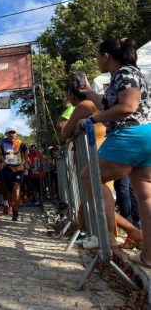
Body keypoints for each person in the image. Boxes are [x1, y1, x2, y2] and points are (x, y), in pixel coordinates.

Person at [79, 38, 151, 268]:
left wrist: (91, 119)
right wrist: (90, 93)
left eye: (97, 57)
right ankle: (148, 256)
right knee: (146, 196)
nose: (97, 61)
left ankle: (109, 238)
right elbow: (111, 106)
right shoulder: (126, 75)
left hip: (127, 136)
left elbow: (127, 107)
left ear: (106, 56)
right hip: (145, 135)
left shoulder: (124, 73)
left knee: (90, 177)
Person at [62, 81, 142, 249]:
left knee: (98, 198)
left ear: (72, 94)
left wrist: (74, 127)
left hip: (99, 155)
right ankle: (103, 234)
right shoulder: (99, 101)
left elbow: (65, 132)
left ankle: (113, 236)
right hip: (103, 153)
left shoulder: (85, 105)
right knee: (93, 199)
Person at [0, 128, 28, 221]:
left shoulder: (20, 143)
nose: (11, 134)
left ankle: (16, 213)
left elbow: (25, 153)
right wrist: (0, 162)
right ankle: (8, 203)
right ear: (6, 134)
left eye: (13, 132)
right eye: (9, 133)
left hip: (18, 169)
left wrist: (25, 163)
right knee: (7, 191)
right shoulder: (1, 143)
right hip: (6, 168)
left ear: (16, 134)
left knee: (16, 190)